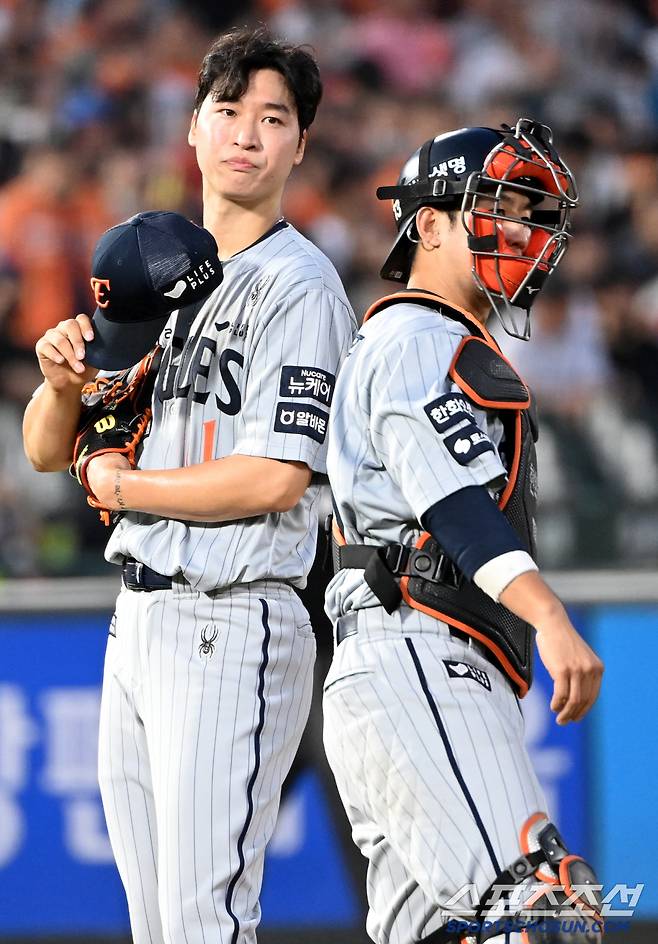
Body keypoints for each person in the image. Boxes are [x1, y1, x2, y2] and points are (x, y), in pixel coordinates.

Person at [23, 26, 355, 944]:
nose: (247, 132)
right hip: (138, 620)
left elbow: (277, 478)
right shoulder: (157, 264)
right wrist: (60, 385)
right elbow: (48, 450)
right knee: (158, 924)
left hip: (234, 614)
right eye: (229, 109)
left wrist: (124, 488)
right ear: (194, 128)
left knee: (205, 922)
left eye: (273, 118)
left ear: (300, 144)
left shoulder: (301, 286)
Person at [322, 120, 605, 944]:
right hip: (420, 651)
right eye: (498, 208)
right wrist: (549, 616)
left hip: (407, 659)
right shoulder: (418, 337)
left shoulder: (420, 338)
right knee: (540, 910)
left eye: (529, 214)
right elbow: (454, 504)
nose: (518, 231)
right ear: (431, 223)